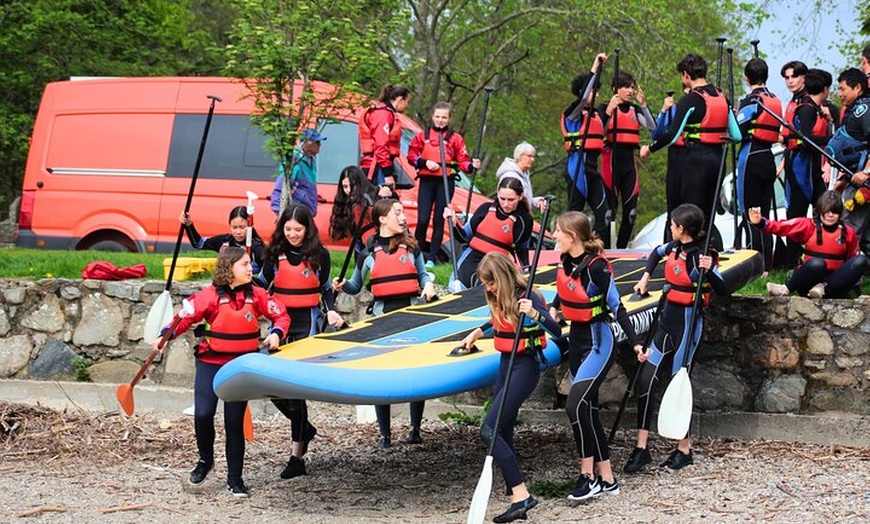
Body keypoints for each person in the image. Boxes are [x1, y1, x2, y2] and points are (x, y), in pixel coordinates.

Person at [154, 246, 289, 497]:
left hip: (240, 367)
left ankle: (235, 479)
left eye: (250, 264)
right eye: (245, 264)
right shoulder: (209, 297)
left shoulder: (257, 295)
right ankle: (206, 460)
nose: (251, 268)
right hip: (210, 363)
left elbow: (281, 315)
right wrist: (165, 335)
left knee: (233, 422)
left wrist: (276, 333)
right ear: (229, 269)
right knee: (204, 414)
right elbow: (183, 318)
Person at [623, 203, 728, 474]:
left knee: (678, 384)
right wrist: (645, 278)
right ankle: (641, 448)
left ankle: (684, 449)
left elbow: (723, 290)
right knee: (646, 379)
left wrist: (710, 269)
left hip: (687, 324)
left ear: (681, 229)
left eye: (672, 224)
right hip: (665, 322)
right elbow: (654, 255)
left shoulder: (702, 257)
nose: (669, 228)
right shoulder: (673, 248)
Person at [457, 252, 561, 523]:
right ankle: (513, 489)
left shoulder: (529, 296)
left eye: (491, 283)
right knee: (503, 427)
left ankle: (521, 495)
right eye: (485, 284)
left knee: (488, 429)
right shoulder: (500, 297)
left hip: (524, 367)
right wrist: (478, 332)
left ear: (502, 276)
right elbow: (499, 321)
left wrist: (535, 312)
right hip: (506, 362)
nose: (488, 288)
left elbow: (556, 331)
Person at [549, 211, 643, 501]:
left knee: (574, 406)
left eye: (557, 231)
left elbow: (618, 306)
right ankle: (608, 479)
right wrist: (550, 311)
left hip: (599, 343)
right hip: (576, 341)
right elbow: (564, 292)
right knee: (586, 409)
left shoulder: (597, 268)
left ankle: (586, 476)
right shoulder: (566, 261)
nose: (553, 235)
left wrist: (637, 343)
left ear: (573, 236)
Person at [334, 198, 436, 449]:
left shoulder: (412, 248)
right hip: (382, 321)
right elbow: (356, 286)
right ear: (382, 219)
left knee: (415, 373)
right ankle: (385, 434)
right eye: (397, 213)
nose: (403, 218)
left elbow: (423, 276)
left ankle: (415, 429)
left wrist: (429, 285)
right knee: (383, 375)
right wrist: (342, 284)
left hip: (413, 318)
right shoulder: (367, 254)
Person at [256, 204, 345, 479]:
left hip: (307, 324)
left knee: (294, 388)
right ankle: (304, 427)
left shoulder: (320, 256)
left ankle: (296, 456)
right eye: (288, 229)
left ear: (307, 229)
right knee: (270, 384)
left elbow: (326, 287)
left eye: (298, 229)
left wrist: (331, 309)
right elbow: (260, 284)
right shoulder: (274, 255)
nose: (292, 234)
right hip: (279, 324)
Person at [640, 53, 742, 251]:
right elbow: (736, 135)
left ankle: (687, 258)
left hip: (696, 162)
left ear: (686, 75)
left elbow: (672, 134)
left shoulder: (691, 99)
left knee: (688, 214)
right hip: (717, 161)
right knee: (706, 214)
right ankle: (709, 255)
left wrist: (649, 148)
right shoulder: (722, 97)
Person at [754, 191, 868, 298]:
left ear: (840, 214)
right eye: (827, 211)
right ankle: (786, 288)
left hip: (834, 285)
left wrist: (854, 283)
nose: (830, 215)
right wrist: (761, 222)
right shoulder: (808, 225)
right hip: (808, 283)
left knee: (861, 260)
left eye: (834, 212)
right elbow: (782, 227)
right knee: (817, 264)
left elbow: (851, 260)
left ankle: (822, 290)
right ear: (819, 211)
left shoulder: (848, 232)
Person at [407, 102, 480, 268]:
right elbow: (411, 155)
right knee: (423, 219)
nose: (440, 120)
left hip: (445, 182)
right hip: (427, 181)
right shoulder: (422, 136)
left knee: (440, 220)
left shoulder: (455, 139)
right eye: (438, 117)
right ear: (432, 117)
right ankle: (416, 255)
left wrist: (471, 166)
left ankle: (432, 258)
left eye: (444, 117)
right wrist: (424, 163)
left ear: (449, 119)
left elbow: (463, 161)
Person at [782, 68, 834, 267]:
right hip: (800, 167)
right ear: (825, 89)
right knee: (797, 214)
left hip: (811, 168)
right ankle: (790, 263)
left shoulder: (814, 107)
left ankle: (823, 255)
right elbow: (805, 139)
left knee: (823, 209)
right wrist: (830, 139)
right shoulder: (807, 109)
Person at [443, 177, 534, 290]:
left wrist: (526, 272)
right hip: (470, 262)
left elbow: (522, 251)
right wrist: (454, 223)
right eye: (502, 198)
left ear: (520, 197)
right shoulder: (485, 209)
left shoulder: (524, 221)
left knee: (487, 293)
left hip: (496, 266)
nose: (505, 204)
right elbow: (463, 237)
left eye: (511, 200)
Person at [735, 58, 783, 271]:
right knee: (763, 214)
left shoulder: (750, 101)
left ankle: (756, 267)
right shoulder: (775, 100)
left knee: (750, 212)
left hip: (752, 156)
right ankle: (767, 265)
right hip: (768, 157)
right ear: (767, 76)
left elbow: (737, 132)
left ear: (747, 77)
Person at [600, 71, 657, 248]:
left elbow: (653, 127)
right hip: (610, 161)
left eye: (632, 87)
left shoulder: (635, 110)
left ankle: (623, 247)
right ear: (615, 89)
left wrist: (644, 105)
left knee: (631, 212)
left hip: (628, 162)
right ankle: (607, 247)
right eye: (626, 87)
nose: (630, 90)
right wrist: (610, 109)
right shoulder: (604, 108)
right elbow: (598, 130)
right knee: (608, 212)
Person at [563, 54, 610, 244]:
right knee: (574, 215)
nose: (597, 95)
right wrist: (595, 66)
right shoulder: (572, 113)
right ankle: (569, 249)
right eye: (594, 91)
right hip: (577, 169)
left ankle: (599, 251)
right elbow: (583, 98)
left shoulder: (595, 115)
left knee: (605, 214)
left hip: (592, 168)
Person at [830, 68, 870, 254]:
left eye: (843, 89)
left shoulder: (864, 110)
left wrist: (866, 172)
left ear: (858, 87)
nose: (840, 94)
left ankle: (839, 279)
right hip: (855, 177)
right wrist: (845, 178)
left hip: (864, 183)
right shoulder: (856, 110)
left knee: (849, 230)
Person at [180, 206, 266, 272]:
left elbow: (267, 274)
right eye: (234, 227)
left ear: (250, 225)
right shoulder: (225, 243)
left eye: (242, 227)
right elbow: (199, 243)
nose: (238, 232)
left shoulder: (257, 246)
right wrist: (189, 225)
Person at [359, 84, 411, 189]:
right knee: (382, 202)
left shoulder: (387, 113)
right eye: (407, 102)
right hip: (377, 167)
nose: (407, 105)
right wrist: (387, 174)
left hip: (380, 165)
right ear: (400, 100)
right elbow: (380, 145)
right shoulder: (383, 114)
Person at [329, 165, 380, 265]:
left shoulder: (371, 197)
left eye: (352, 185)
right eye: (345, 186)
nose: (349, 190)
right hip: (360, 242)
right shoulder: (346, 201)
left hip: (374, 242)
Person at [270, 128, 327, 217]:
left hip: (306, 214)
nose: (320, 145)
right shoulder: (294, 161)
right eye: (317, 142)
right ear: (308, 143)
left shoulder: (311, 160)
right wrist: (279, 213)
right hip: (294, 214)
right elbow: (281, 188)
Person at [495, 142, 547, 213]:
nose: (532, 160)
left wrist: (536, 201)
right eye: (529, 156)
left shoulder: (524, 174)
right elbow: (508, 202)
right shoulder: (510, 176)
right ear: (519, 157)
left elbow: (522, 200)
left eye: (533, 156)